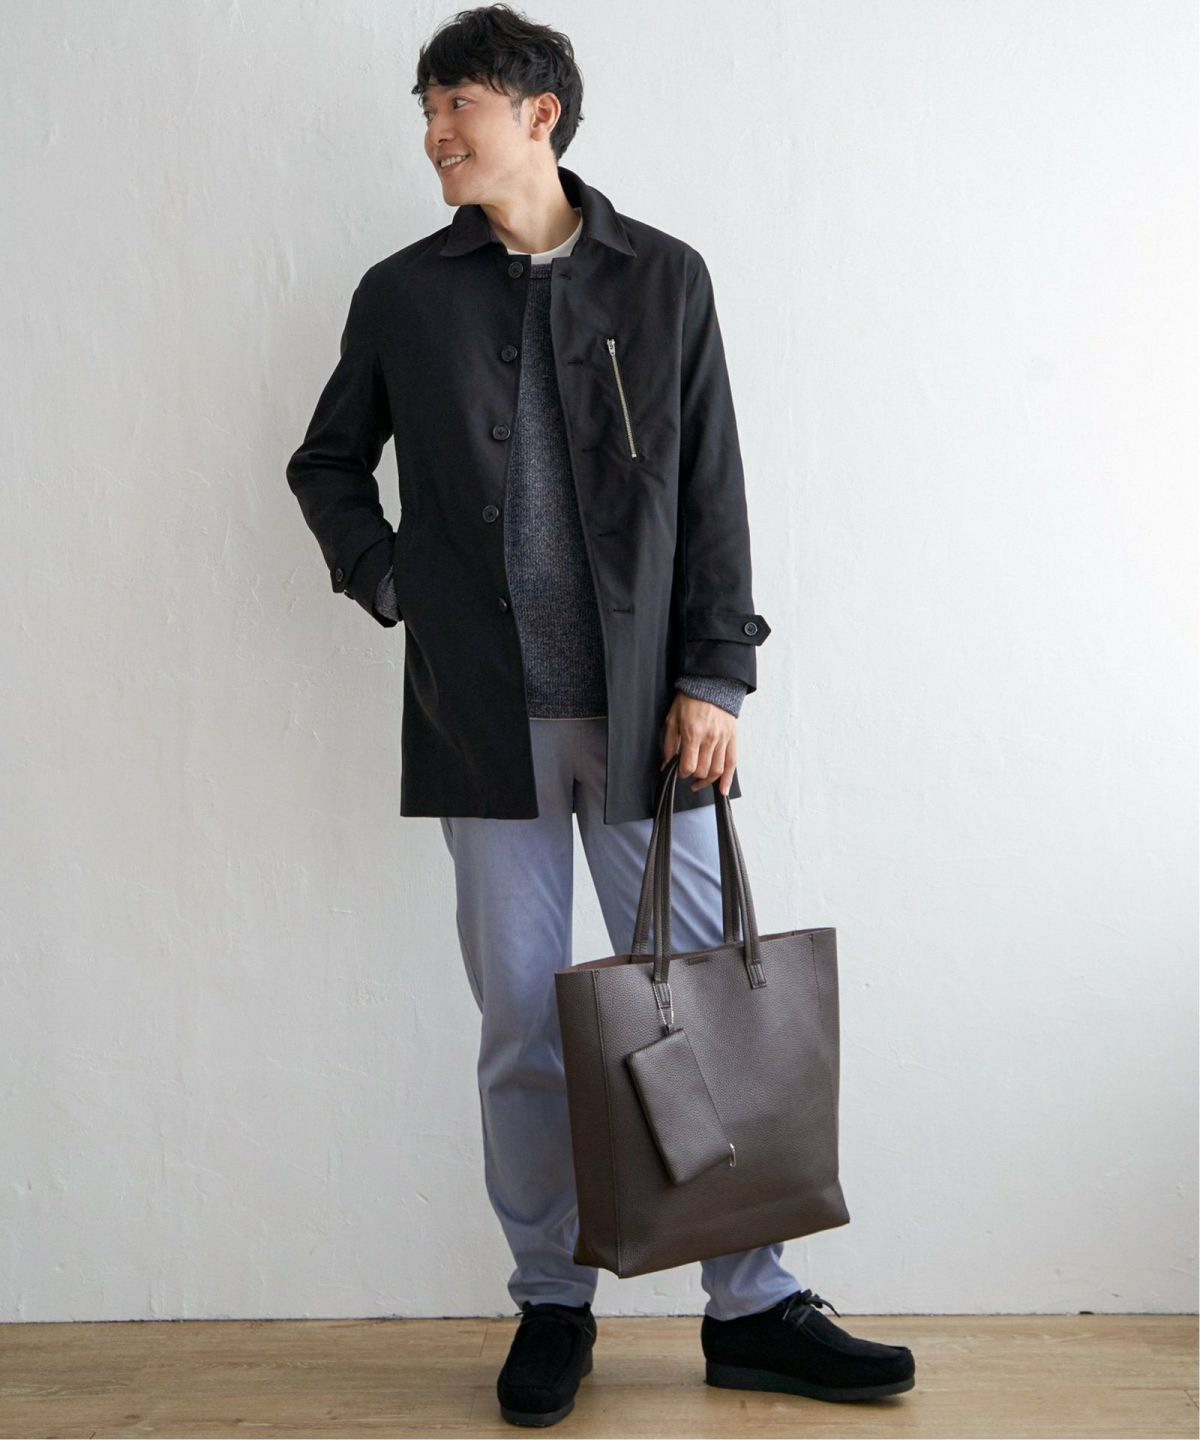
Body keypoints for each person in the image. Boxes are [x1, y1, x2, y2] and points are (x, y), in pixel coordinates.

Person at [286, 3, 915, 1426]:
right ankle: (551, 1302)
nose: (435, 135)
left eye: (456, 105)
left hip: (653, 721)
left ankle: (752, 1304)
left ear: (540, 114)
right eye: (425, 110)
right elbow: (327, 464)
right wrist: (396, 585)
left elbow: (713, 488)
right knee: (522, 1025)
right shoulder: (404, 294)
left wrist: (717, 674)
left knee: (705, 1012)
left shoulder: (663, 278)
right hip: (484, 722)